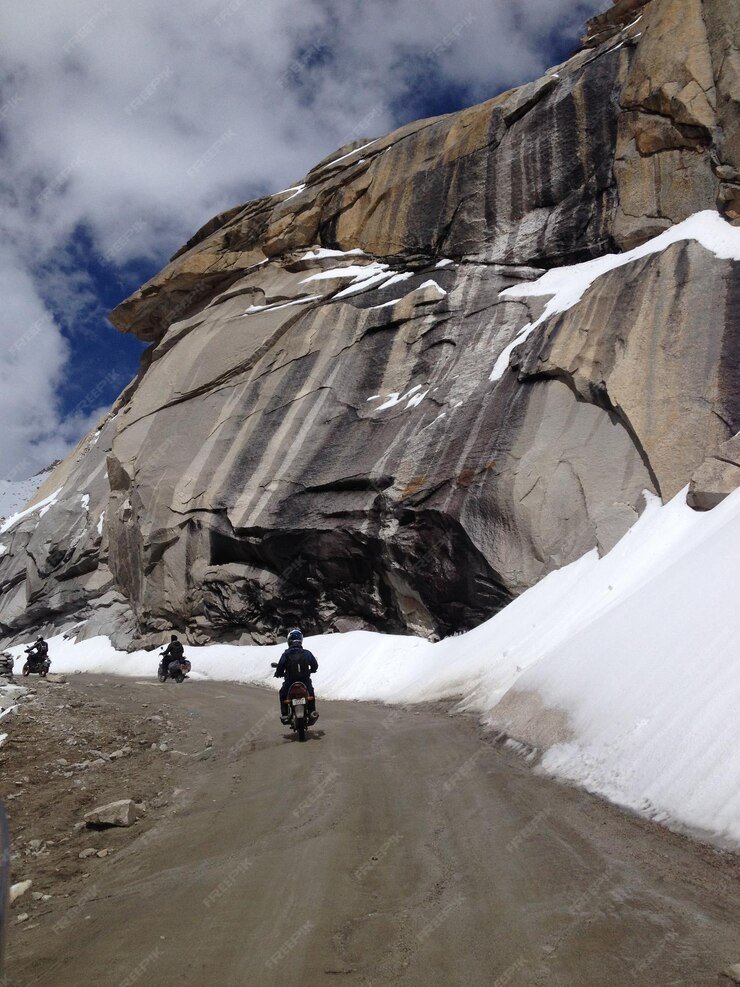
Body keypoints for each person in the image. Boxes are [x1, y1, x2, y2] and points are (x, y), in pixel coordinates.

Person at [274, 628, 318, 724]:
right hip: (305, 681)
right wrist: (313, 670)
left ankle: (285, 714)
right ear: (301, 640)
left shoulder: (286, 654)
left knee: (283, 694)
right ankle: (312, 711)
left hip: (290, 681)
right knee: (310, 693)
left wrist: (278, 673)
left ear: (289, 640)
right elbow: (314, 664)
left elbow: (281, 666)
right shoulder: (307, 653)